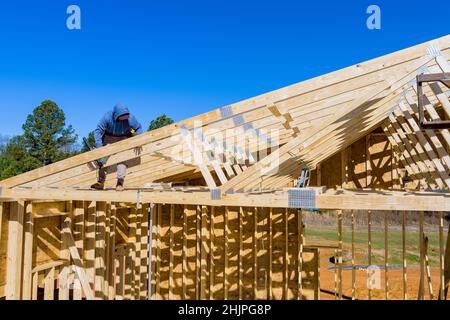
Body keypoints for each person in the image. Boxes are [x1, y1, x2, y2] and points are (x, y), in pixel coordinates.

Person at [91, 103, 143, 191]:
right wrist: (100, 148)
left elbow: (138, 128)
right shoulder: (107, 117)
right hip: (109, 137)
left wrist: (138, 140)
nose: (125, 118)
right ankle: (100, 182)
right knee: (103, 160)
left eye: (126, 116)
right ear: (116, 115)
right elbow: (98, 131)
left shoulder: (130, 118)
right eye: (122, 116)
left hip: (124, 138)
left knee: (121, 160)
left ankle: (120, 183)